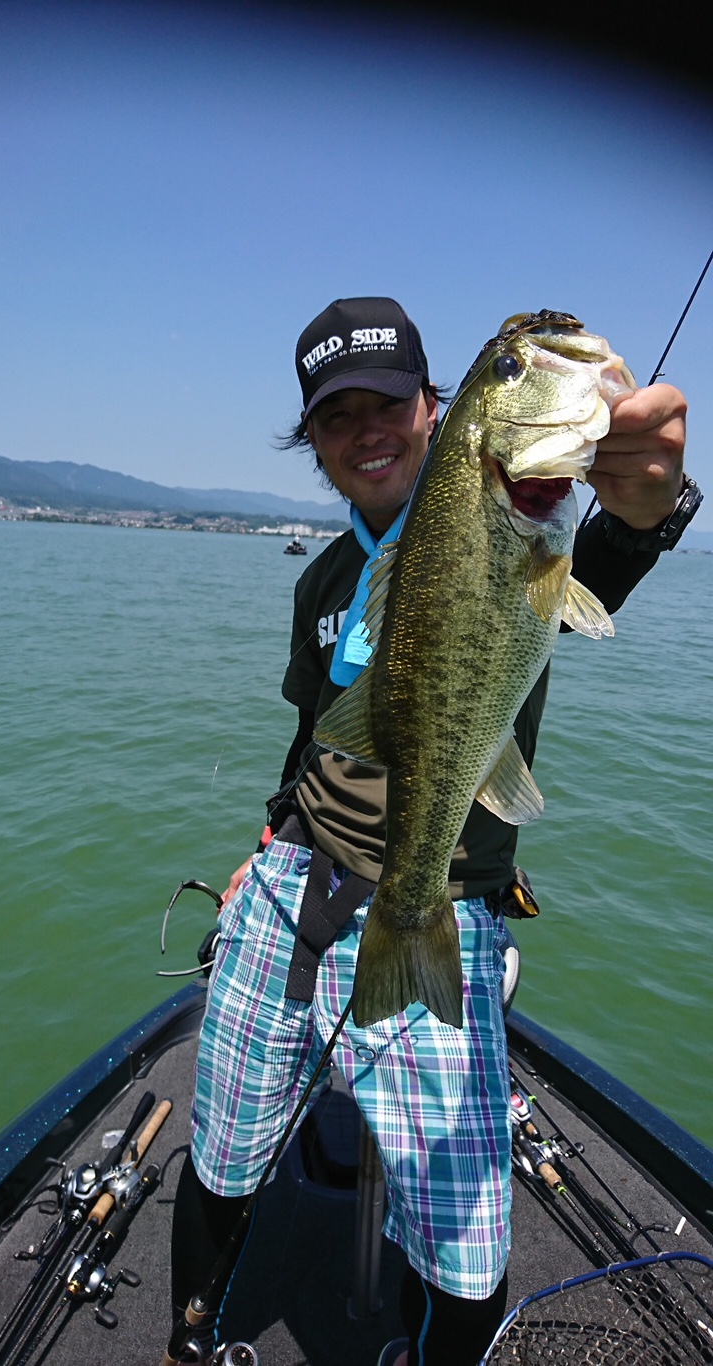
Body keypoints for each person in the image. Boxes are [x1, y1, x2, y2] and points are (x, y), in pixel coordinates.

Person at [171, 297, 693, 1366]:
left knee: (465, 1246)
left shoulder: (520, 515)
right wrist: (266, 838)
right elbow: (313, 738)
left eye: (387, 405)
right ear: (314, 442)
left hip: (441, 902)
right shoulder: (325, 578)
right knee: (219, 1151)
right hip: (293, 886)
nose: (365, 432)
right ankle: (187, 1340)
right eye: (336, 417)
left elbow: (606, 550)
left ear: (433, 409)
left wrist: (651, 503)